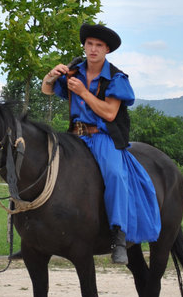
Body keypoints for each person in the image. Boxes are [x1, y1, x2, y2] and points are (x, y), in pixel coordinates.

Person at [41, 22, 161, 264]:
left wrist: (84, 92)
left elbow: (109, 113)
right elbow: (47, 91)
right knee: (43, 166)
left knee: (116, 175)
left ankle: (118, 237)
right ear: (84, 46)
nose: (93, 49)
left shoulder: (116, 78)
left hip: (103, 137)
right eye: (89, 44)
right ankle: (40, 236)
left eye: (99, 45)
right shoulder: (74, 72)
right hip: (74, 136)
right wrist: (51, 76)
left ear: (107, 50)